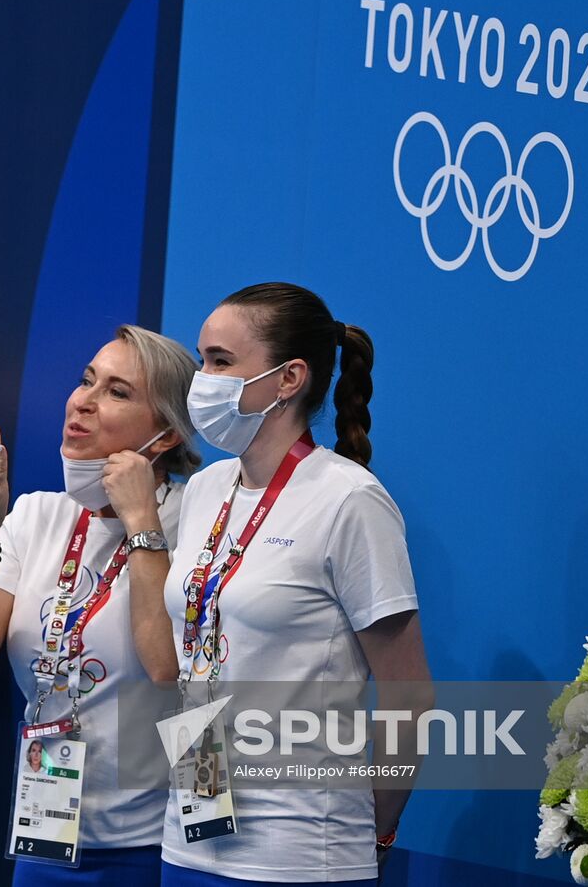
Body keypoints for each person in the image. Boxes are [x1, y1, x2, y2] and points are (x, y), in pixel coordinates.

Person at [161, 283, 431, 886]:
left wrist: (377, 831)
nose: (201, 378)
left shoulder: (350, 500)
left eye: (221, 362)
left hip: (303, 854)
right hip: (185, 841)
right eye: (202, 358)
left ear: (289, 379)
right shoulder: (206, 489)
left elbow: (410, 699)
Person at [0, 324, 202, 886]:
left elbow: (170, 669)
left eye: (117, 392)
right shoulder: (37, 515)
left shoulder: (198, 522)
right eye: (87, 381)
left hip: (159, 847)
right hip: (47, 836)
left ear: (167, 434)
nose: (83, 401)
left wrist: (139, 523)